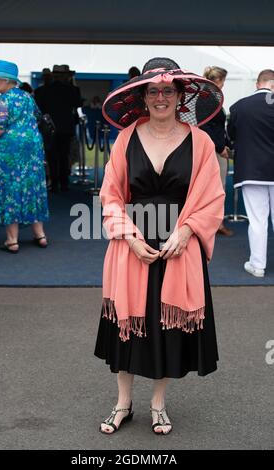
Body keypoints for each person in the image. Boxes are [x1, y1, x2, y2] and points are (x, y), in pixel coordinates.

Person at [94, 57, 225, 434]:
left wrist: (186, 233)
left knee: (166, 328)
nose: (161, 97)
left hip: (179, 248)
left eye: (168, 90)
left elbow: (212, 199)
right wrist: (132, 238)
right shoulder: (125, 138)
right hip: (131, 245)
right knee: (126, 324)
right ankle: (123, 404)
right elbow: (111, 195)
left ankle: (158, 404)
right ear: (143, 96)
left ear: (181, 95)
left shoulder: (201, 141)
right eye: (153, 91)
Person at [0, 60, 49, 252]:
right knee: (32, 189)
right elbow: (38, 117)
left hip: (11, 152)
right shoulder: (27, 97)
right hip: (32, 150)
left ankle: (12, 240)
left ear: (7, 80)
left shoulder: (4, 100)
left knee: (10, 192)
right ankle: (40, 235)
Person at [227, 69, 274, 277]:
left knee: (257, 220)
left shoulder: (239, 106)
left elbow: (231, 137)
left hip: (250, 170)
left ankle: (258, 265)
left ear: (258, 83)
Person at [35, 64, 82, 192]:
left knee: (52, 156)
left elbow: (40, 109)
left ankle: (54, 183)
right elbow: (77, 103)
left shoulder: (43, 90)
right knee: (64, 155)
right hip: (65, 127)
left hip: (49, 128)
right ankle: (64, 183)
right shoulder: (72, 89)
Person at [201, 66, 233, 236]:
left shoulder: (209, 97)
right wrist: (221, 148)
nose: (224, 85)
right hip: (213, 150)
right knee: (217, 188)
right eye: (223, 81)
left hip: (214, 148)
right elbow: (207, 127)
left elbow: (216, 127)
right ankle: (216, 224)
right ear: (218, 80)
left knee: (213, 188)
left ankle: (212, 223)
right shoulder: (208, 99)